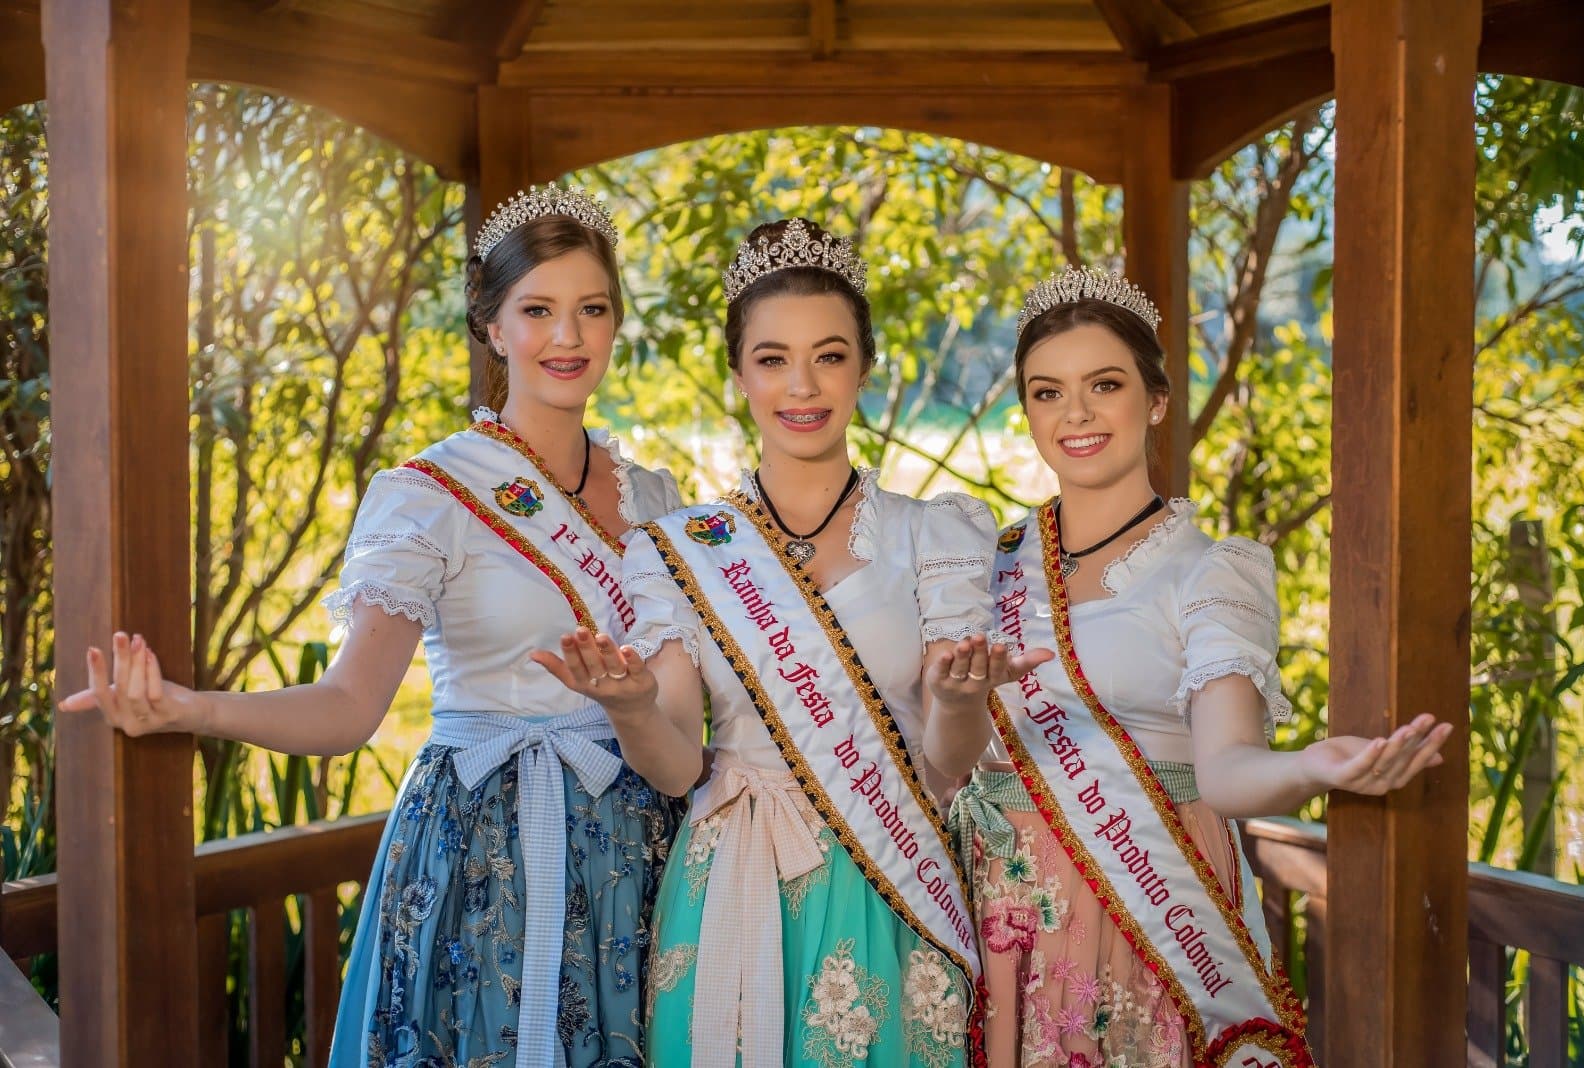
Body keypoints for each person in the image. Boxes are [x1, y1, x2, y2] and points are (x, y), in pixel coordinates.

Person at [59, 186, 685, 1068]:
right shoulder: (430, 495)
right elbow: (349, 708)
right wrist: (185, 708)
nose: (569, 337)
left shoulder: (659, 501)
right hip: (484, 844)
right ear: (493, 327)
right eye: (537, 310)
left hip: (632, 838)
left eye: (592, 309)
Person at [535, 217, 1047, 1067]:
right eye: (773, 359)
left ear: (865, 368)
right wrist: (630, 709)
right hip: (732, 875)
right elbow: (673, 767)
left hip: (887, 880)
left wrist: (962, 702)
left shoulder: (937, 535)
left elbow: (947, 762)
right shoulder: (682, 548)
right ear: (739, 373)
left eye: (830, 355)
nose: (802, 385)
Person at [930, 267, 1451, 1068]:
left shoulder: (1208, 573)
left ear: (1158, 399)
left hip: (1145, 906)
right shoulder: (984, 565)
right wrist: (959, 699)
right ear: (1025, 409)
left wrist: (1313, 765)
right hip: (1000, 906)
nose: (1075, 413)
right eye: (1047, 391)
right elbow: (946, 759)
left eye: (1104, 384)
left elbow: (1228, 769)